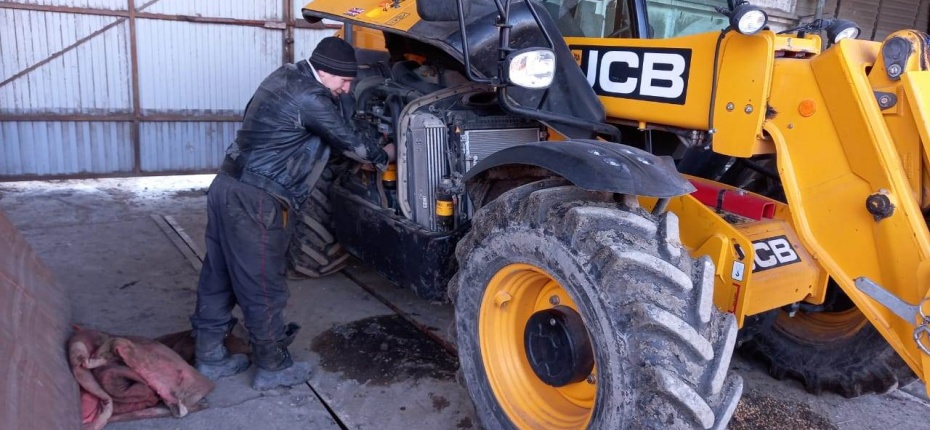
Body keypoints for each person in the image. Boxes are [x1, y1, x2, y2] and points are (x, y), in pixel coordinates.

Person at [189, 37, 395, 390]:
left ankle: (209, 355)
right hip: (258, 198)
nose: (347, 91)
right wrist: (385, 153)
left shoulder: (285, 76)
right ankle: (273, 365)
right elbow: (355, 145)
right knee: (263, 281)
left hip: (227, 186)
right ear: (325, 72)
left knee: (218, 273)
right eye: (344, 82)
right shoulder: (311, 97)